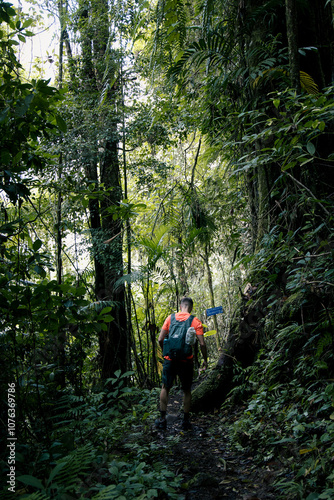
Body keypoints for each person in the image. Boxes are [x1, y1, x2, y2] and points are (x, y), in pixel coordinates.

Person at [155, 297, 208, 430]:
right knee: (186, 390)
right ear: (191, 307)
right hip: (186, 361)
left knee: (165, 388)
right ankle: (185, 421)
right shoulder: (195, 321)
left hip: (169, 359)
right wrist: (205, 360)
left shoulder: (170, 318)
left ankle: (162, 419)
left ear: (180, 306)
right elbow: (202, 343)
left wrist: (165, 352)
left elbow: (160, 339)